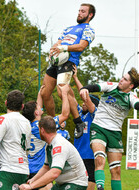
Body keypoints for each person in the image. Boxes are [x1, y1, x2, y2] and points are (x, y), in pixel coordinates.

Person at [79, 67, 139, 190]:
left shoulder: (131, 97)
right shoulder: (111, 86)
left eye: (125, 79)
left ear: (131, 85)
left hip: (115, 133)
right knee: (99, 158)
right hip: (99, 128)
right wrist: (85, 89)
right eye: (122, 77)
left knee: (116, 170)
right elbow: (95, 87)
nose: (121, 80)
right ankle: (100, 187)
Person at [40, 3, 96, 138]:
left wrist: (64, 48)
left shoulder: (89, 30)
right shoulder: (69, 28)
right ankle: (53, 122)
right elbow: (58, 42)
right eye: (79, 11)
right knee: (44, 93)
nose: (79, 13)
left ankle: (78, 122)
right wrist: (53, 50)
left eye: (83, 11)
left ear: (90, 15)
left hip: (69, 61)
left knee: (61, 91)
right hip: (57, 60)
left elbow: (81, 46)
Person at [19, 116, 88, 190]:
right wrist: (32, 180)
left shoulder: (59, 145)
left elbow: (54, 173)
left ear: (42, 130)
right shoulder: (49, 145)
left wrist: (31, 187)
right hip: (63, 183)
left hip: (76, 183)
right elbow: (46, 167)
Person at [22, 85, 70, 189]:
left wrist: (40, 94)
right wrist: (65, 94)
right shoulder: (41, 126)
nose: (40, 107)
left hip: (28, 168)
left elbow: (37, 110)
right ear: (36, 112)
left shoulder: (28, 125)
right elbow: (65, 114)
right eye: (38, 107)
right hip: (39, 169)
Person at [72, 65, 99, 190]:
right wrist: (69, 79)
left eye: (86, 101)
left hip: (89, 155)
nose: (83, 103)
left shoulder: (95, 115)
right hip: (76, 154)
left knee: (90, 180)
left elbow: (84, 95)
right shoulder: (80, 114)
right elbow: (71, 97)